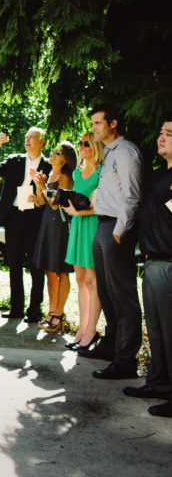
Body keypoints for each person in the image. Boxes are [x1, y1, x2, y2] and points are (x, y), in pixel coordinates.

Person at [86, 105, 143, 380]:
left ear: (113, 124)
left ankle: (125, 361)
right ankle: (110, 347)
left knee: (123, 296)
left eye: (98, 123)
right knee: (106, 293)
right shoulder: (108, 154)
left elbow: (132, 197)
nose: (94, 128)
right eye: (93, 123)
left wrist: (119, 233)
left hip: (116, 229)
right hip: (102, 226)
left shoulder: (127, 152)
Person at [126, 117, 172, 416]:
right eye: (161, 132)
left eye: (169, 134)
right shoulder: (157, 176)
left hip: (169, 265)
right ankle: (158, 383)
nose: (161, 137)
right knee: (155, 329)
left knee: (170, 331)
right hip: (151, 262)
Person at [0, 128, 51, 322]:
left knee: (35, 265)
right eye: (26, 137)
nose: (27, 140)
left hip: (35, 218)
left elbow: (53, 192)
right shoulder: (15, 159)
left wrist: (41, 195)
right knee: (14, 263)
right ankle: (16, 308)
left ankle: (35, 310)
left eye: (32, 137)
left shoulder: (48, 165)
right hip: (14, 217)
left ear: (42, 142)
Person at [62, 132, 103, 351]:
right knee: (80, 279)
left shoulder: (101, 172)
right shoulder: (77, 173)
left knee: (92, 281)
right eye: (80, 143)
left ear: (95, 146)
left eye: (86, 144)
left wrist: (77, 213)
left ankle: (91, 330)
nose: (82, 147)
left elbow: (100, 205)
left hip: (91, 226)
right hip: (77, 228)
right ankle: (82, 328)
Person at [31, 141, 77, 333]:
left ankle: (59, 314)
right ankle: (51, 311)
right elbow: (44, 203)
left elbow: (56, 204)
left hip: (59, 226)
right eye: (53, 151)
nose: (53, 154)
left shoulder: (66, 177)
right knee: (49, 270)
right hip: (47, 224)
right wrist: (38, 187)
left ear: (66, 159)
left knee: (60, 271)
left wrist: (42, 185)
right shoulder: (52, 174)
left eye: (58, 152)